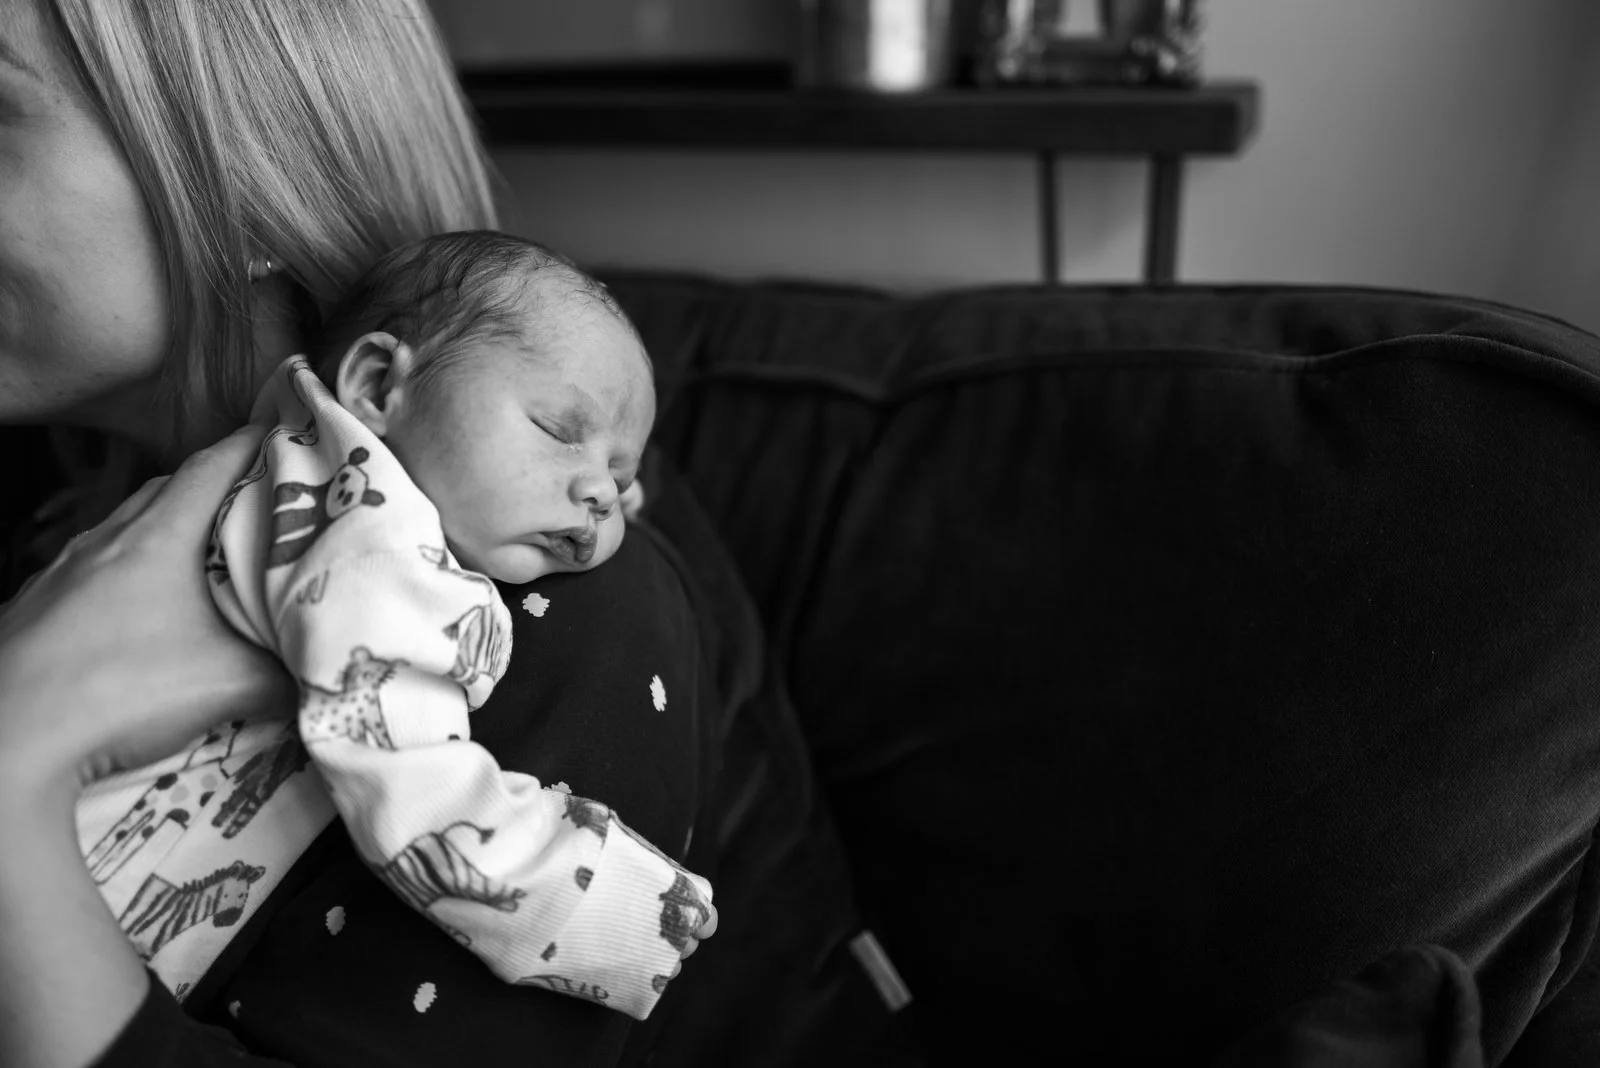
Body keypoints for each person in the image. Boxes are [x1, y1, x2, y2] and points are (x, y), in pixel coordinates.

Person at [0, 1, 717, 1065]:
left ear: (243, 183)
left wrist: (15, 765)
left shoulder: (544, 598)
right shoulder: (64, 510)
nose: (598, 495)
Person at [76, 229, 716, 1018]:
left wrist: (586, 479)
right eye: (557, 430)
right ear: (378, 386)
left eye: (621, 479)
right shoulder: (367, 534)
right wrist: (595, 903)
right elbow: (396, 763)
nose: (598, 492)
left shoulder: (298, 472)